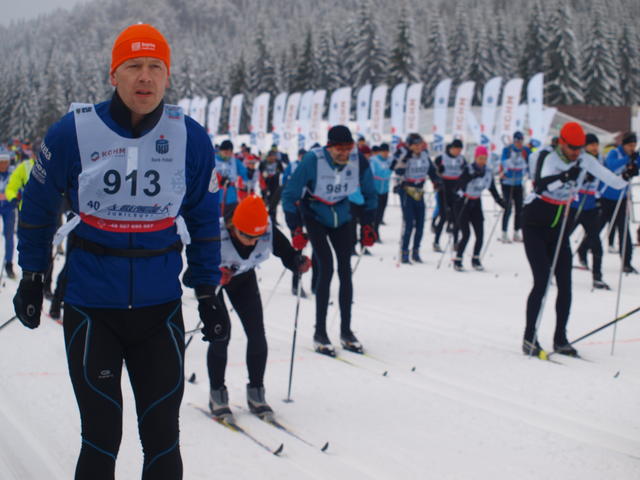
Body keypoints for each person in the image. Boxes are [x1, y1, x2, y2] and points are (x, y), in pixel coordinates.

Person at [12, 24, 227, 479]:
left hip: (159, 310)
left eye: (155, 67)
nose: (145, 77)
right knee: (101, 437)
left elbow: (205, 219)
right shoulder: (72, 132)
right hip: (93, 310)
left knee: (163, 439)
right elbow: (38, 206)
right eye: (133, 66)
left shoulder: (190, 138)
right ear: (114, 74)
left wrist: (209, 290)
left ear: (167, 76)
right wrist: (32, 276)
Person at [521, 122, 635, 358]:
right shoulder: (549, 157)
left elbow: (611, 180)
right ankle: (529, 337)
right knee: (542, 281)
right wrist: (565, 176)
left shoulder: (585, 159)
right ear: (562, 142)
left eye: (579, 148)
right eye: (572, 147)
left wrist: (626, 175)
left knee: (565, 284)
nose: (576, 152)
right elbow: (542, 185)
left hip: (559, 227)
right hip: (535, 224)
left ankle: (560, 338)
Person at [207, 195, 311, 420]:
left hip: (244, 279)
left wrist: (297, 262)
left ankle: (256, 392)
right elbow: (191, 273)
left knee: (257, 334)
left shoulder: (266, 229)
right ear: (234, 227)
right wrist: (214, 275)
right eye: (247, 236)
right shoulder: (215, 233)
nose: (253, 242)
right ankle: (217, 393)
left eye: (257, 236)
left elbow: (286, 253)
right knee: (221, 334)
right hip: (215, 283)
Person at [282, 125, 377, 356]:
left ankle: (346, 331)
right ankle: (320, 333)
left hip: (342, 215)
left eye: (348, 148)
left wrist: (368, 225)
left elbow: (371, 194)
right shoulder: (312, 160)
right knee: (326, 266)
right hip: (315, 214)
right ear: (329, 147)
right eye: (339, 149)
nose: (344, 153)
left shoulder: (359, 161)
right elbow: (289, 195)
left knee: (345, 270)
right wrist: (295, 228)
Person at [452, 146, 506, 271]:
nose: (482, 161)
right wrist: (470, 177)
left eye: (485, 158)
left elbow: (492, 189)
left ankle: (476, 259)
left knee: (480, 234)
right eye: (480, 158)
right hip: (464, 203)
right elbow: (458, 185)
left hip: (476, 203)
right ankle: (458, 259)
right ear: (476, 158)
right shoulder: (468, 169)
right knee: (466, 234)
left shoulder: (488, 172)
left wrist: (500, 202)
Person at [391, 133, 438, 263]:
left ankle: (416, 251)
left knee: (420, 224)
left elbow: (432, 170)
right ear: (409, 145)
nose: (418, 147)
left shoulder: (425, 155)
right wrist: (405, 157)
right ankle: (404, 251)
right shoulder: (405, 155)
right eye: (415, 145)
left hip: (419, 191)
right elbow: (396, 169)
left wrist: (436, 180)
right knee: (409, 223)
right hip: (406, 190)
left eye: (419, 144)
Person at [571, 134, 610, 289]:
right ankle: (549, 271)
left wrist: (599, 196)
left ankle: (597, 277)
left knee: (596, 244)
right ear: (585, 146)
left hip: (590, 207)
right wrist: (582, 178)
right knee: (560, 239)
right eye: (591, 145)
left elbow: (604, 179)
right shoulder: (579, 158)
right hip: (575, 206)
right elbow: (571, 179)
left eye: (596, 144)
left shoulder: (600, 159)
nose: (595, 147)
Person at [600, 132, 638, 273]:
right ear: (624, 144)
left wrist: (635, 165)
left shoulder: (634, 155)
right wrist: (627, 159)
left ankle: (626, 262)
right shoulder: (614, 153)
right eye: (630, 145)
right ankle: (583, 250)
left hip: (622, 198)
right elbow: (611, 166)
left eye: (634, 145)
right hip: (607, 197)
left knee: (624, 230)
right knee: (597, 227)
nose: (632, 148)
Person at [433, 139, 467, 252]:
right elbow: (433, 172)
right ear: (452, 148)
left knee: (457, 217)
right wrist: (438, 172)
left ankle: (455, 242)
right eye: (457, 149)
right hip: (444, 190)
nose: (458, 152)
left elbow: (466, 172)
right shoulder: (441, 158)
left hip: (456, 190)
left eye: (460, 150)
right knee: (443, 217)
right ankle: (436, 241)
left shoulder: (461, 159)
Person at [499, 131, 529, 243]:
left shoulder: (525, 150)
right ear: (514, 140)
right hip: (507, 183)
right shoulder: (507, 149)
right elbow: (504, 163)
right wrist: (509, 167)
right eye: (517, 141)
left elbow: (529, 162)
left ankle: (516, 232)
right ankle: (504, 233)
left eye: (520, 141)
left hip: (518, 183)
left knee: (519, 209)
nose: (519, 144)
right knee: (508, 208)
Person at [216, 139, 248, 218]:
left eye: (230, 153)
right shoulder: (213, 160)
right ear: (220, 151)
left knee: (231, 220)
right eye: (225, 152)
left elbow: (244, 172)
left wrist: (245, 182)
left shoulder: (234, 161)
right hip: (217, 196)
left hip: (231, 196)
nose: (228, 155)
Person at [369, 143, 392, 240]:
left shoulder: (389, 160)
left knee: (381, 213)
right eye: (384, 152)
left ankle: (375, 231)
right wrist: (387, 172)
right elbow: (374, 174)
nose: (386, 154)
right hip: (375, 191)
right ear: (380, 151)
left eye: (387, 152)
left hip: (385, 191)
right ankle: (374, 233)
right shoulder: (373, 160)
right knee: (376, 213)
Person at [0, 152, 16, 278]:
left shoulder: (13, 173)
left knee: (9, 236)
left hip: (8, 208)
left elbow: (19, 188)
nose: (3, 165)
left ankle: (9, 264)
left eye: (5, 162)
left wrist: (9, 196)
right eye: (1, 162)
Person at [259, 149, 284, 224]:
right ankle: (263, 218)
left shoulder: (278, 162)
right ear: (268, 157)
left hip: (275, 185)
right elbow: (260, 172)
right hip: (265, 185)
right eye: (272, 157)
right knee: (264, 202)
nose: (273, 159)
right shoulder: (263, 163)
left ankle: (273, 219)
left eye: (274, 157)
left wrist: (277, 172)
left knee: (274, 202)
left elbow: (282, 170)